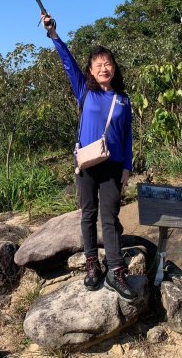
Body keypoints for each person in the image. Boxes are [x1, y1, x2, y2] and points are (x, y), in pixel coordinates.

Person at [42, 15, 137, 302]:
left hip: (112, 166)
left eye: (108, 64)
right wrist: (54, 34)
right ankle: (92, 264)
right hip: (86, 164)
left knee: (109, 217)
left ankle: (116, 270)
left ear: (114, 67)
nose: (104, 68)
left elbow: (128, 136)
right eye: (98, 65)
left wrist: (127, 168)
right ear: (91, 71)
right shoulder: (84, 92)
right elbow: (68, 62)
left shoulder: (123, 99)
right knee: (87, 215)